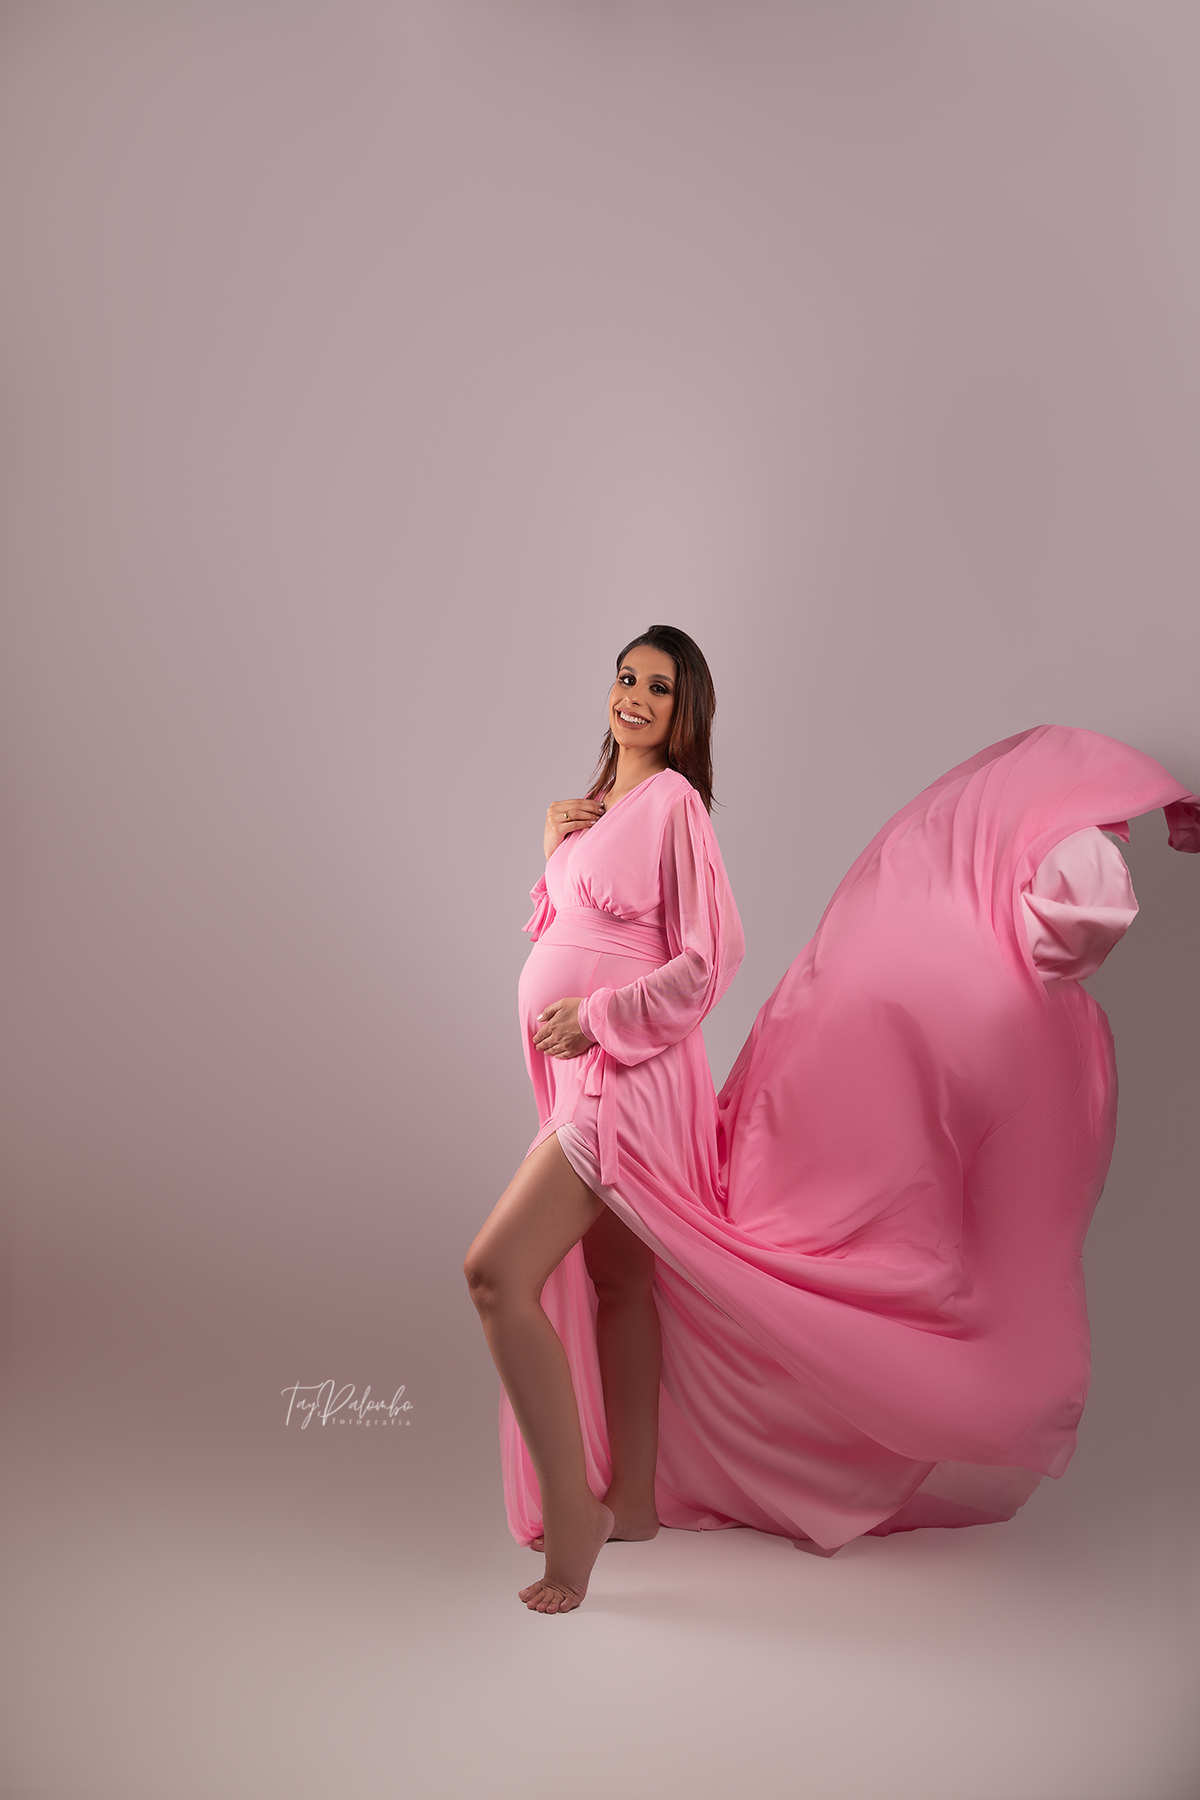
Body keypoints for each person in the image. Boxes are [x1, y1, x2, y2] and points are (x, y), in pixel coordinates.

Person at [464, 627, 1200, 1616]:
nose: (634, 695)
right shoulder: (599, 811)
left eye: (660, 687)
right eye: (626, 677)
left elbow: (709, 960)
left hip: (620, 1082)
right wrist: (558, 851)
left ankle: (574, 1513)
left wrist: (596, 1017)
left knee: (495, 1274)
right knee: (619, 1282)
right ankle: (632, 1499)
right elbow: (575, 931)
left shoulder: (675, 804)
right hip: (576, 1076)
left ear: (687, 714)